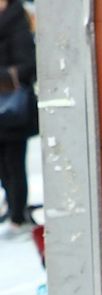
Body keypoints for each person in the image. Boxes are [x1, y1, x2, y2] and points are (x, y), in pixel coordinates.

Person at [0, 0, 35, 233]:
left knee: (14, 161)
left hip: (11, 105)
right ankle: (12, 206)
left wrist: (4, 77)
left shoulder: (16, 21)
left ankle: (17, 214)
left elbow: (28, 65)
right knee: (3, 165)